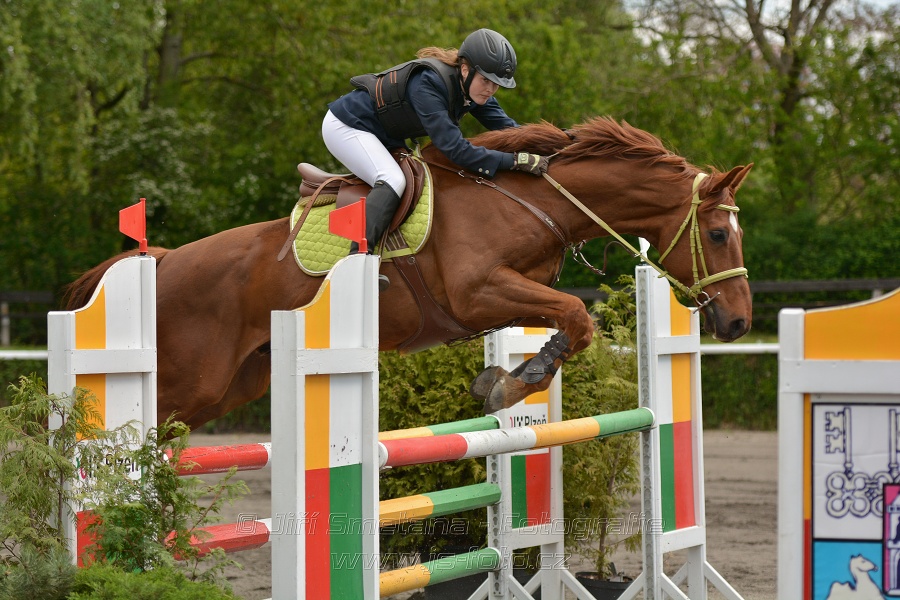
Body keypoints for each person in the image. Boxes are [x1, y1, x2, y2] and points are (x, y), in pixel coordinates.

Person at [322, 28, 549, 287]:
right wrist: (514, 162)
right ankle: (356, 264)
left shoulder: (471, 89)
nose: (491, 89)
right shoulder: (428, 83)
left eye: (496, 84)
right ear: (466, 69)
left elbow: (511, 130)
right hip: (348, 125)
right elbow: (455, 149)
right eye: (486, 80)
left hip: (382, 135)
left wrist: (560, 143)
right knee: (393, 179)